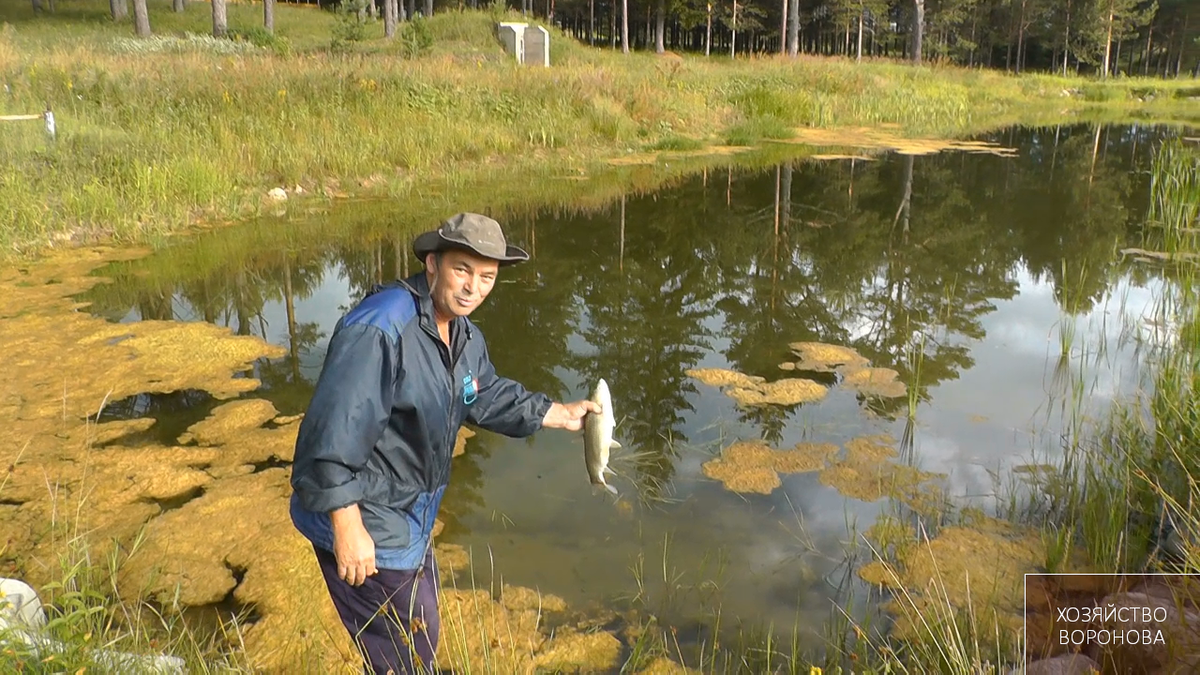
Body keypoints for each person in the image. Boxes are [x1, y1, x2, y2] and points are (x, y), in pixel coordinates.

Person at [288, 213, 600, 674]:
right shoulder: (381, 327)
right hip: (367, 516)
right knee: (401, 649)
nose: (474, 287)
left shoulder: (462, 332)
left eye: (487, 277)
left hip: (409, 514)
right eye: (462, 270)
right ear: (432, 265)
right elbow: (331, 433)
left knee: (421, 632)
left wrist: (555, 413)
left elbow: (480, 392)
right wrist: (346, 525)